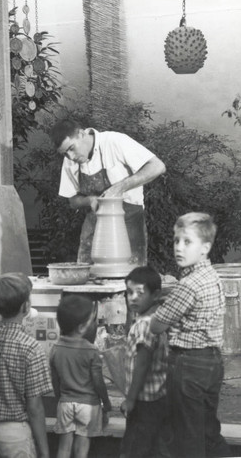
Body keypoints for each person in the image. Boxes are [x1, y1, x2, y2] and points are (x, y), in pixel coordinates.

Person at [150, 213, 231, 458]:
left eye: (187, 242)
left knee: (187, 439)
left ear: (205, 248)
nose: (178, 248)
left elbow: (156, 326)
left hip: (187, 365)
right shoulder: (212, 276)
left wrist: (157, 307)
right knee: (208, 432)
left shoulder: (188, 284)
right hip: (212, 362)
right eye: (176, 241)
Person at [50, 119, 166, 265]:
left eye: (72, 148)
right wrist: (90, 200)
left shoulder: (114, 141)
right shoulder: (70, 160)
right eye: (65, 153)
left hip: (128, 221)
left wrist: (120, 187)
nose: (71, 157)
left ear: (81, 134)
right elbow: (72, 200)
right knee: (87, 277)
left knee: (132, 279)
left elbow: (157, 166)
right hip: (95, 224)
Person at [0, 272, 52, 458]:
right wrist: (45, 452)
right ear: (26, 306)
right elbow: (35, 408)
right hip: (16, 434)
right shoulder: (31, 347)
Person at [49, 294, 112, 458]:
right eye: (92, 321)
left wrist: (59, 398)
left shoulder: (56, 348)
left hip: (65, 403)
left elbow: (55, 380)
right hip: (88, 405)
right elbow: (98, 382)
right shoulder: (91, 351)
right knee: (81, 449)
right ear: (82, 327)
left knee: (63, 448)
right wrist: (106, 403)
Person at [120, 266, 169, 458]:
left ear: (155, 294)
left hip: (143, 401)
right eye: (129, 292)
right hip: (158, 397)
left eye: (140, 293)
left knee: (133, 450)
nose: (132, 298)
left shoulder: (143, 325)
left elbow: (142, 363)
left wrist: (130, 399)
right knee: (152, 448)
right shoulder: (157, 319)